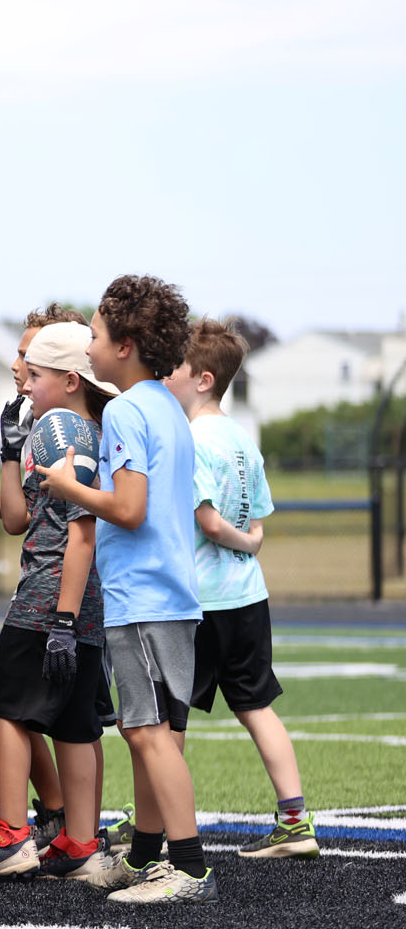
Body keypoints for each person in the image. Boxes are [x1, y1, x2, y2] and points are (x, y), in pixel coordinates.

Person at [37, 273, 216, 904]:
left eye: (97, 331)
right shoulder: (166, 405)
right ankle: (145, 855)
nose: (88, 341)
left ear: (127, 343)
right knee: (151, 728)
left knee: (146, 732)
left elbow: (130, 508)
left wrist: (68, 489)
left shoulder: (130, 410)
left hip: (143, 597)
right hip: (169, 593)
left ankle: (189, 867)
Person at [164, 319, 317, 859]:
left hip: (201, 600)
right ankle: (295, 820)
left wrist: (242, 543)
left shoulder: (193, 439)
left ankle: (157, 825)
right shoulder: (242, 439)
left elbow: (209, 522)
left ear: (204, 378)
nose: (167, 375)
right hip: (249, 597)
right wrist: (249, 544)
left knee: (168, 716)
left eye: (175, 367)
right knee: (256, 706)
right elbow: (259, 521)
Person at [0, 321, 118, 881]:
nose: (26, 383)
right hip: (83, 592)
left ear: (69, 377)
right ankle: (80, 843)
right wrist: (11, 453)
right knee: (75, 724)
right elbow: (18, 516)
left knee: (5, 708)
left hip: (51, 591)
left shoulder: (61, 426)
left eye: (35, 373)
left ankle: (12, 834)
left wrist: (61, 617)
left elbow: (79, 527)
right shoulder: (78, 424)